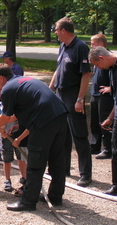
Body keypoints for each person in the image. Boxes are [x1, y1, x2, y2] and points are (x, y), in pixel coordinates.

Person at [0, 63, 68, 211]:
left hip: (43, 121)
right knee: (57, 159)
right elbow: (14, 115)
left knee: (36, 162)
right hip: (60, 115)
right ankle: (56, 196)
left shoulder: (8, 89)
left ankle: (28, 202)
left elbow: (5, 116)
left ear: (2, 78)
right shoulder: (26, 80)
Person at [49, 17, 92, 187]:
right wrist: (50, 88)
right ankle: (63, 168)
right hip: (60, 94)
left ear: (64, 31)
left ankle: (85, 174)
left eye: (56, 30)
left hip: (73, 95)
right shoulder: (62, 46)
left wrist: (80, 99)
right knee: (62, 135)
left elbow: (86, 74)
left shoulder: (80, 47)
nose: (55, 32)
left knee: (79, 135)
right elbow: (58, 69)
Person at [89, 46, 117, 196]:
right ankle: (116, 185)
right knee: (115, 148)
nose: (99, 68)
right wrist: (111, 118)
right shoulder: (111, 69)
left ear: (101, 58)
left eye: (98, 65)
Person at [89, 34, 114, 159]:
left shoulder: (108, 59)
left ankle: (108, 148)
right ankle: (94, 145)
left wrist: (111, 88)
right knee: (94, 123)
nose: (91, 45)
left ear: (101, 44)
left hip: (105, 96)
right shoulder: (96, 58)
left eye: (93, 43)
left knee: (104, 122)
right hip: (95, 93)